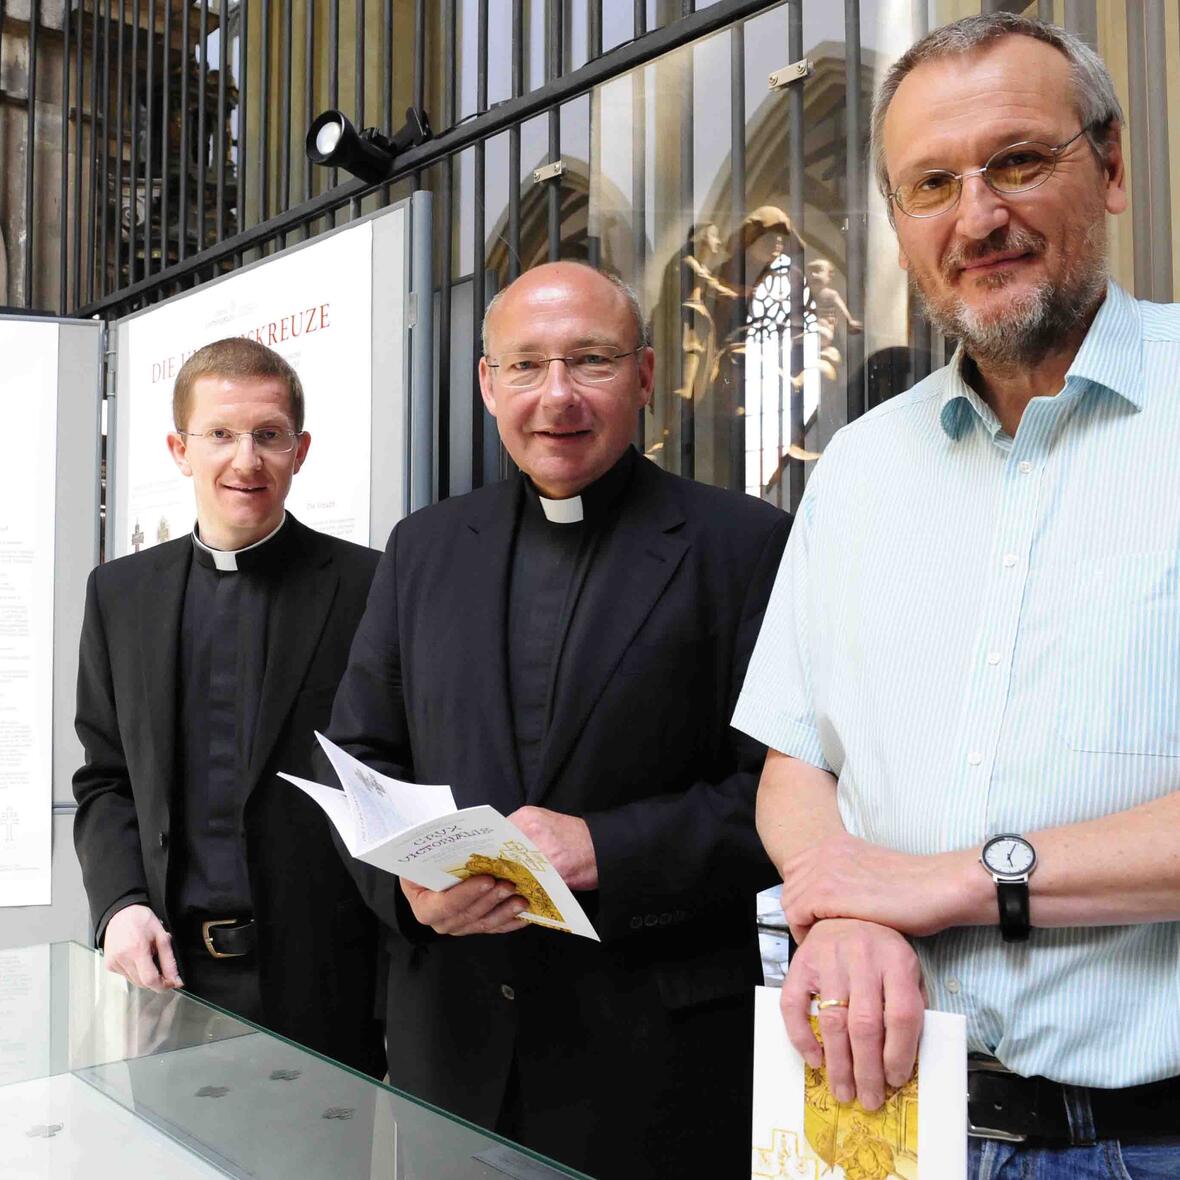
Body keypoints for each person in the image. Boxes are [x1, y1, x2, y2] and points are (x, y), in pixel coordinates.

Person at [734, 13, 1180, 1177]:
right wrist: (837, 906)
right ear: (896, 224)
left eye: (1018, 162)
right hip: (901, 1124)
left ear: (1114, 165)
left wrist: (935, 886)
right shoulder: (861, 469)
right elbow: (797, 757)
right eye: (930, 184)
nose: (976, 217)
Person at [325, 261, 790, 1178]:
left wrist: (604, 848)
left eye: (592, 361)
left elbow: (785, 793)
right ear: (489, 385)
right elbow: (360, 761)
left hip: (656, 1060)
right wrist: (410, 898)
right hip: (450, 1051)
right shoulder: (424, 547)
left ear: (648, 376)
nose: (558, 397)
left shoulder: (742, 545)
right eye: (527, 366)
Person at [73, 337, 384, 1077]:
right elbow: (105, 778)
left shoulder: (370, 588)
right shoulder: (120, 594)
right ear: (180, 449)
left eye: (268, 435)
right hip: (166, 977)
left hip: (323, 985)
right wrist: (118, 905)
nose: (245, 460)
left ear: (299, 450)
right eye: (219, 434)